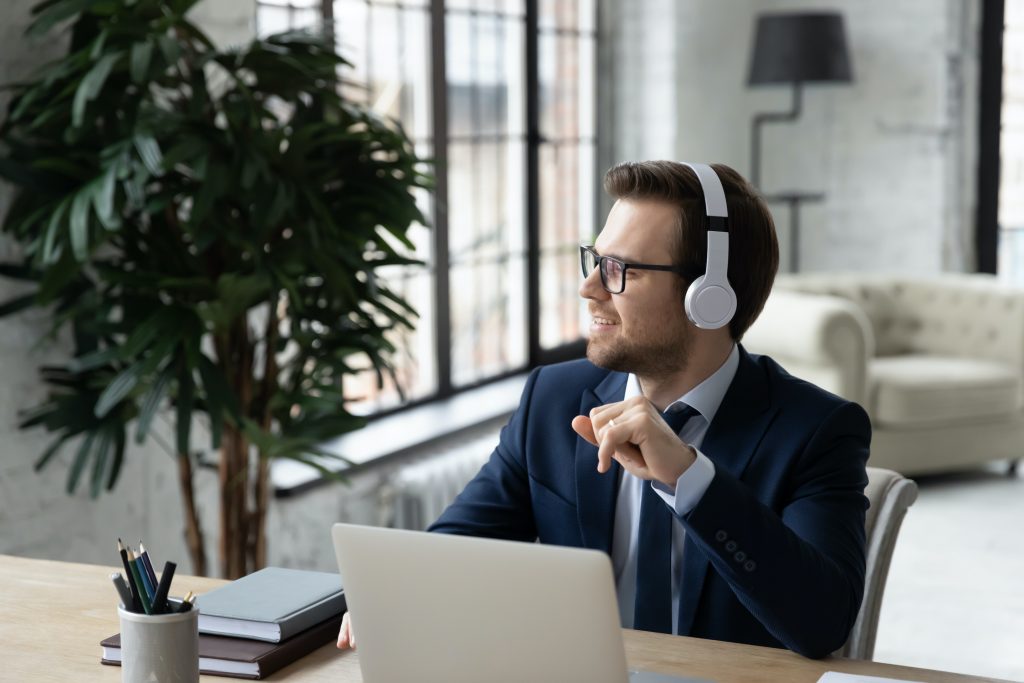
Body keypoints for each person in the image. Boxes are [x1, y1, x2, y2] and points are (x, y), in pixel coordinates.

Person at [337, 160, 870, 659]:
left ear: (709, 296)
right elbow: (456, 546)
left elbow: (821, 624)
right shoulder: (553, 399)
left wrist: (691, 479)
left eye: (621, 270)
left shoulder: (817, 430)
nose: (588, 288)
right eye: (595, 260)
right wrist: (397, 588)